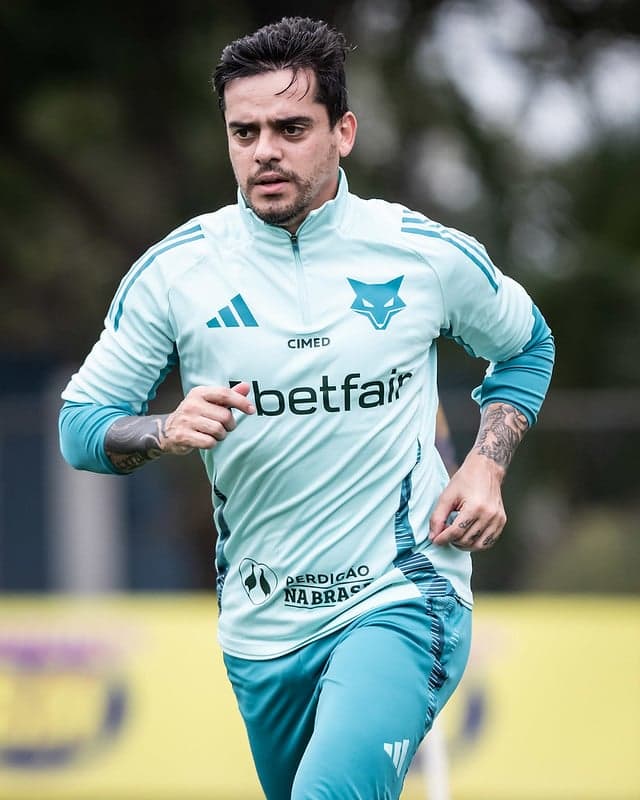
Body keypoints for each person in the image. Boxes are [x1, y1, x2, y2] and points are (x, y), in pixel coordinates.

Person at [59, 16, 554, 800]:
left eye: (291, 128)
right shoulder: (174, 273)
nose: (265, 151)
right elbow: (80, 427)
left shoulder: (421, 253)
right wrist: (163, 428)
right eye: (244, 131)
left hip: (402, 593)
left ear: (343, 131)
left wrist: (487, 467)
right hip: (261, 629)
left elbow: (527, 346)